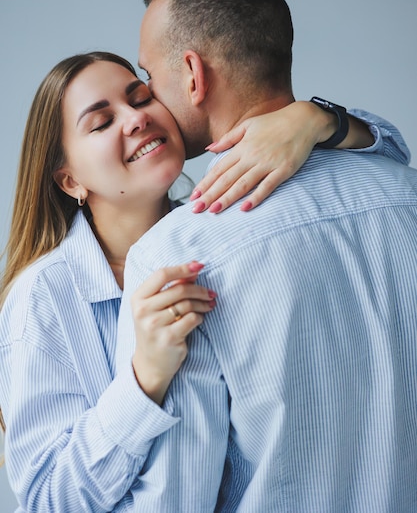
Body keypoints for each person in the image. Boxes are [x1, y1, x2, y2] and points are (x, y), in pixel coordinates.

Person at [0, 49, 404, 511]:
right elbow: (45, 499)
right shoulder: (43, 297)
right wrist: (142, 380)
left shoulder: (218, 232)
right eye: (101, 122)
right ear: (70, 180)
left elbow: (392, 163)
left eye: (140, 96)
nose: (135, 119)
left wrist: (314, 120)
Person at [117, 0, 417, 512]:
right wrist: (319, 116)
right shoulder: (407, 193)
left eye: (150, 77)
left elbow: (177, 498)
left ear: (192, 73)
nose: (149, 98)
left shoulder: (176, 252)